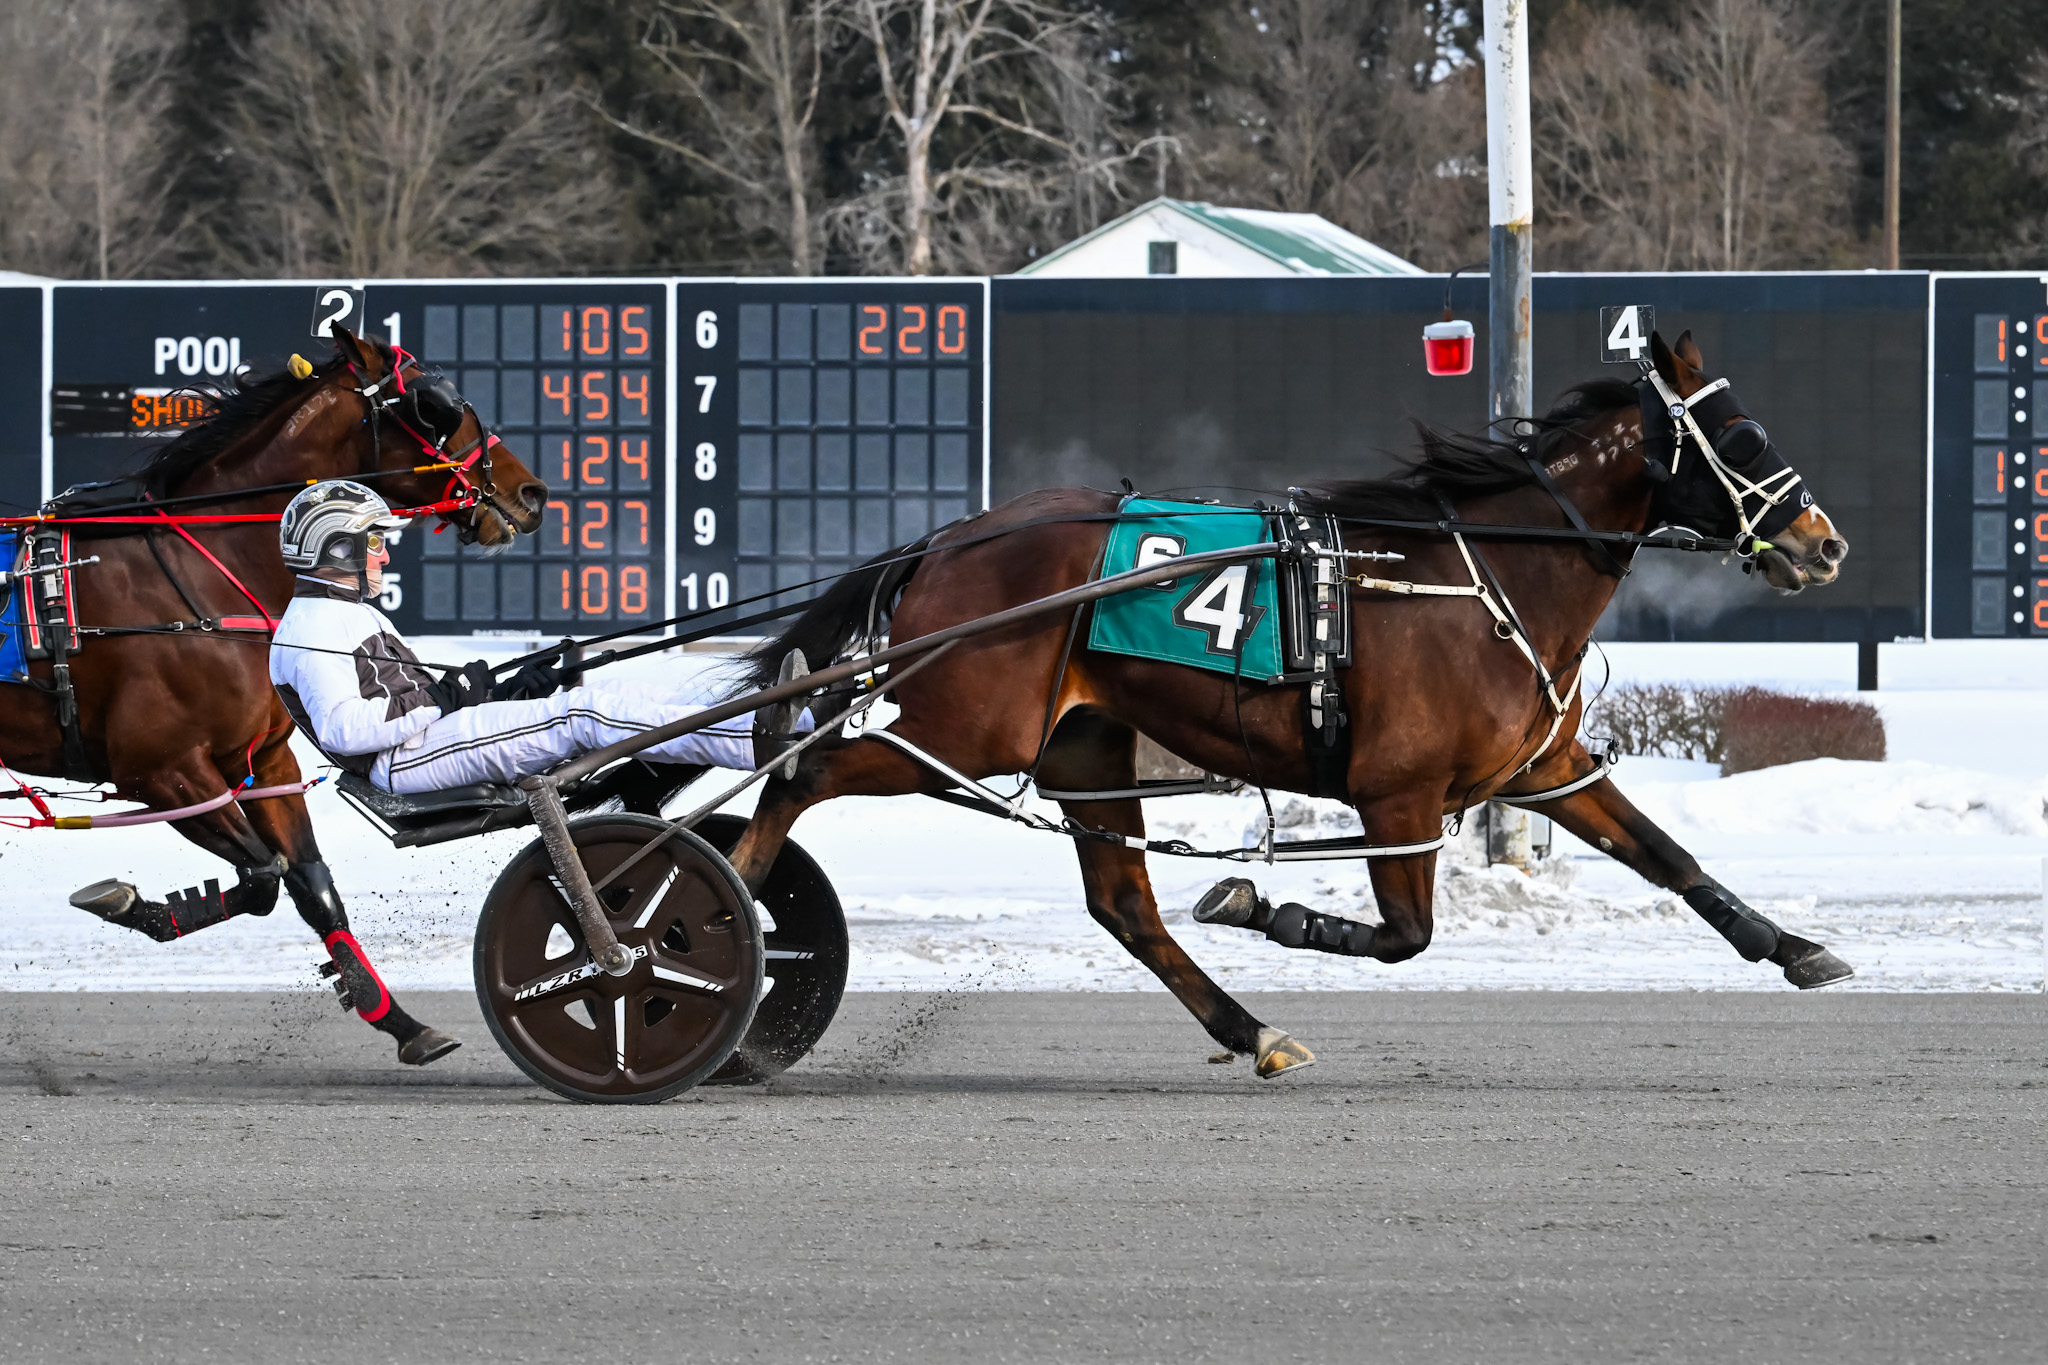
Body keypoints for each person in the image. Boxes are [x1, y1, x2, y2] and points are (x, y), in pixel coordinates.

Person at [269, 480, 807, 794]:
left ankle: (779, 718)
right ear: (337, 549)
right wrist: (442, 698)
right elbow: (343, 730)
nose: (384, 554)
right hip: (402, 763)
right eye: (374, 543)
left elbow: (408, 701)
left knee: (614, 693)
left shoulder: (343, 613)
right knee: (585, 715)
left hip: (421, 746)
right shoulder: (311, 626)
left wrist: (509, 692)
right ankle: (757, 744)